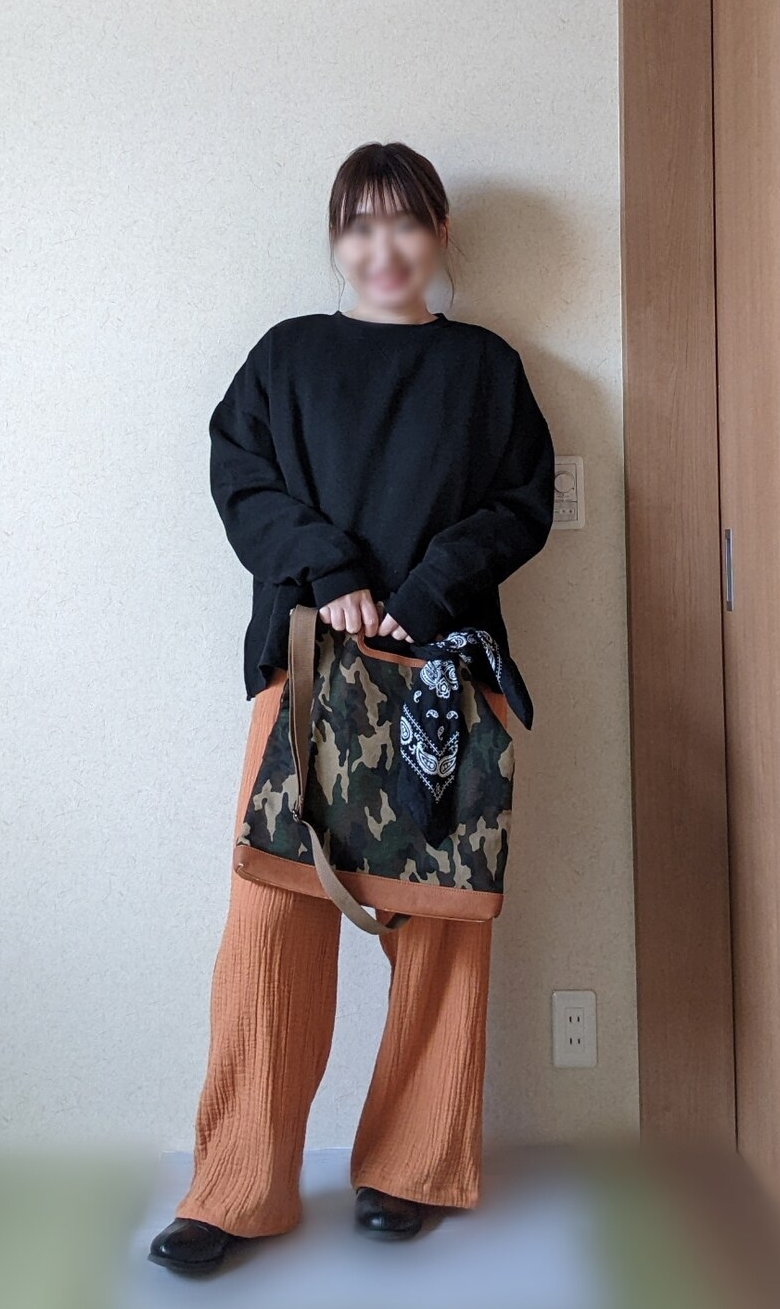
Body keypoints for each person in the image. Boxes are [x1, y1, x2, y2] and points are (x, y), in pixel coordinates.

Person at [148, 140, 555, 1275]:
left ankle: (412, 1169)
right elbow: (241, 477)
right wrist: (329, 570)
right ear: (337, 239)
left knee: (441, 923)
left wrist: (422, 593)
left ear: (438, 235)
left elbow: (521, 505)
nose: (384, 248)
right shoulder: (286, 358)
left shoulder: (485, 368)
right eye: (362, 225)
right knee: (270, 924)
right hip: (306, 671)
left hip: (442, 677)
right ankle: (235, 1187)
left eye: (405, 222)